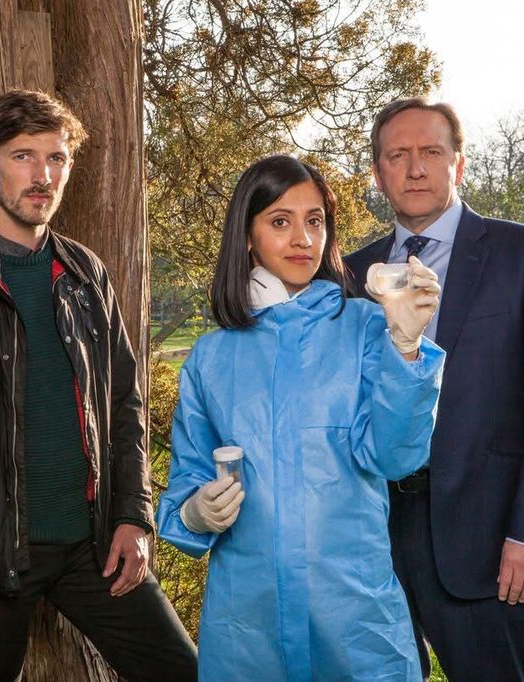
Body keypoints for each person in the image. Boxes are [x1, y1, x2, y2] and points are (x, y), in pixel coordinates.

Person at [0, 90, 197, 681]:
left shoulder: (85, 273)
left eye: (56, 158)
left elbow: (122, 402)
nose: (42, 175)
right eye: (24, 156)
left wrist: (132, 514)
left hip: (93, 545)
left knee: (184, 671)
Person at [156, 155, 446, 681]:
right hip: (248, 625)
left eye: (314, 221)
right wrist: (196, 512)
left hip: (354, 616)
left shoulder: (363, 326)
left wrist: (406, 348)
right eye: (280, 221)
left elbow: (395, 456)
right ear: (248, 235)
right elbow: (184, 491)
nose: (302, 238)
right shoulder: (210, 358)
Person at [344, 98, 524, 681]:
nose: (415, 168)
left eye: (431, 152)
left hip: (488, 536)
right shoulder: (349, 274)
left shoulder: (522, 251)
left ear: (459, 164)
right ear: (379, 173)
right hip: (373, 541)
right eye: (397, 156)